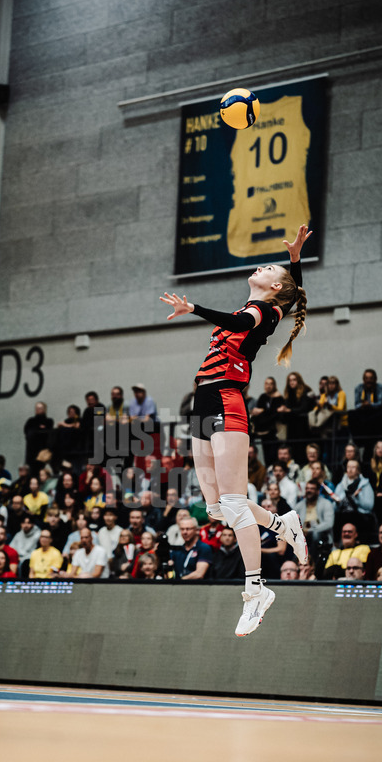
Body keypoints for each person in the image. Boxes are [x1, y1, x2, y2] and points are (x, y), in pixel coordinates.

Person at [160, 225, 311, 634]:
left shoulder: (262, 313)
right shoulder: (266, 304)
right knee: (215, 508)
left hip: (228, 401)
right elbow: (292, 290)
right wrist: (295, 260)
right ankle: (282, 524)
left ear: (275, 285)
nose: (260, 266)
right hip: (203, 404)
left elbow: (241, 317)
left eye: (269, 267)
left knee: (235, 502)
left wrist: (193, 309)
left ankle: (256, 591)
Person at [295, 478, 335, 553]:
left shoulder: (326, 504)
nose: (309, 491)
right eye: (307, 488)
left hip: (321, 535)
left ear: (317, 491)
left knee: (315, 534)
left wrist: (310, 530)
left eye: (312, 489)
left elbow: (329, 524)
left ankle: (312, 558)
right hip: (303, 535)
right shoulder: (299, 506)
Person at [168, 515, 213, 580]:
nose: (185, 532)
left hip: (198, 587)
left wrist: (180, 581)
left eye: (188, 529)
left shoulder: (204, 548)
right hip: (177, 588)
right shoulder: (177, 550)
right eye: (182, 529)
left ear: (197, 530)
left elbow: (199, 574)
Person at [250, 376, 282, 464]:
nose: (268, 386)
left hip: (272, 432)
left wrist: (263, 411)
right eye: (266, 384)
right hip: (262, 431)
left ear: (274, 385)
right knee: (264, 456)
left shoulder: (278, 398)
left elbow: (276, 413)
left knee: (273, 455)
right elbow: (258, 412)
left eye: (271, 384)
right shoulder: (263, 397)